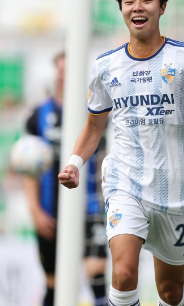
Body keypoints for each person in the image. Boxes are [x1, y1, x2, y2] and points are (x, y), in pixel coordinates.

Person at [58, 0, 184, 306]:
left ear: (162, 6)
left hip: (176, 192)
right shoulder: (106, 67)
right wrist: (75, 161)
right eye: (129, 1)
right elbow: (93, 128)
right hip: (125, 183)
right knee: (122, 273)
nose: (138, 7)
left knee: (169, 292)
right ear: (121, 9)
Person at [23, 52, 108, 306]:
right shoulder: (38, 115)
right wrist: (35, 211)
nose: (62, 75)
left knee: (97, 275)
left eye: (68, 70)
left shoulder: (94, 114)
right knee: (54, 285)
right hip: (51, 211)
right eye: (59, 70)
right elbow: (27, 166)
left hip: (89, 209)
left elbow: (104, 160)